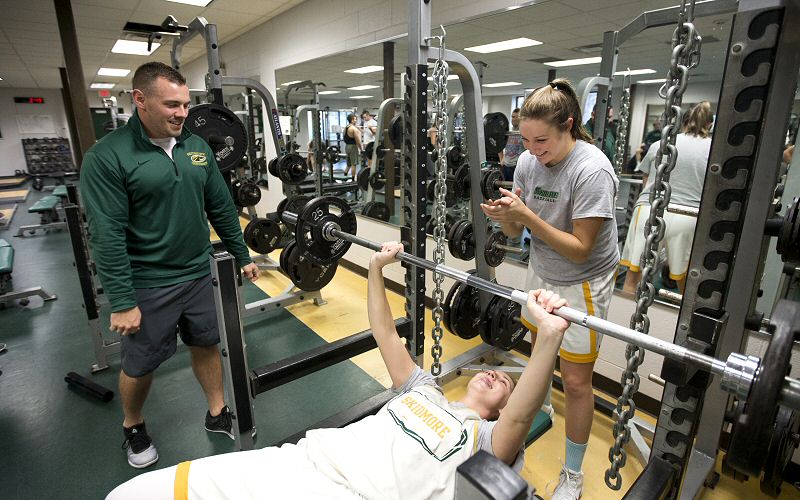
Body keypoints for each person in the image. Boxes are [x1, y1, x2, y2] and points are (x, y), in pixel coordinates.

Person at [106, 242, 571, 500]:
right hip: (305, 462)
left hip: (358, 496)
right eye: (496, 373)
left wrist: (548, 335)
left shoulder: (486, 442)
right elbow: (386, 333)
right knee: (134, 495)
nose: (495, 376)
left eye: (504, 383)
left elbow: (519, 417)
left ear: (498, 411)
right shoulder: (424, 389)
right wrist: (373, 268)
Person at [81, 62, 260, 469]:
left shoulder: (196, 147)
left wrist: (242, 255)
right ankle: (133, 424)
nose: (182, 113)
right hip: (147, 280)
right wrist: (123, 300)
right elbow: (106, 234)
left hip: (199, 273)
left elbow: (220, 206)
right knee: (141, 364)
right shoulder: (108, 158)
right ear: (139, 100)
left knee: (206, 344)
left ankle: (217, 413)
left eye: (185, 104)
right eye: (171, 105)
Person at [480, 79, 619, 500]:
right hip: (541, 273)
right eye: (525, 139)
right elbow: (515, 229)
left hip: (582, 283)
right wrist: (505, 216)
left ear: (569, 127)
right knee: (540, 356)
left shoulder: (592, 170)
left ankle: (573, 475)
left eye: (541, 140)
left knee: (576, 381)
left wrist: (525, 214)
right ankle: (531, 417)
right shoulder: (526, 162)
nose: (532, 148)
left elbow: (580, 250)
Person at [620, 101, 714, 294]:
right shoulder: (714, 150)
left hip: (650, 211)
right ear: (711, 125)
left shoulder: (661, 144)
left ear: (683, 121)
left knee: (633, 278)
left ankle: (622, 320)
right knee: (686, 283)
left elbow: (647, 182)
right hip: (689, 216)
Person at [499, 108, 523, 181]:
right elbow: (499, 146)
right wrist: (501, 160)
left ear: (521, 118)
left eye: (516, 117)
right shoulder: (508, 132)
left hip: (517, 166)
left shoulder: (524, 132)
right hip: (506, 166)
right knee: (504, 189)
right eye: (512, 117)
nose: (513, 119)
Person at [343, 113, 362, 180]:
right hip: (353, 147)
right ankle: (353, 180)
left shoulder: (346, 127)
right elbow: (358, 141)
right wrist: (361, 149)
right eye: (355, 119)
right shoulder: (353, 129)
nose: (356, 120)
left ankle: (344, 177)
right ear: (352, 120)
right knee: (354, 164)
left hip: (347, 147)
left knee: (348, 164)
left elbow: (344, 138)